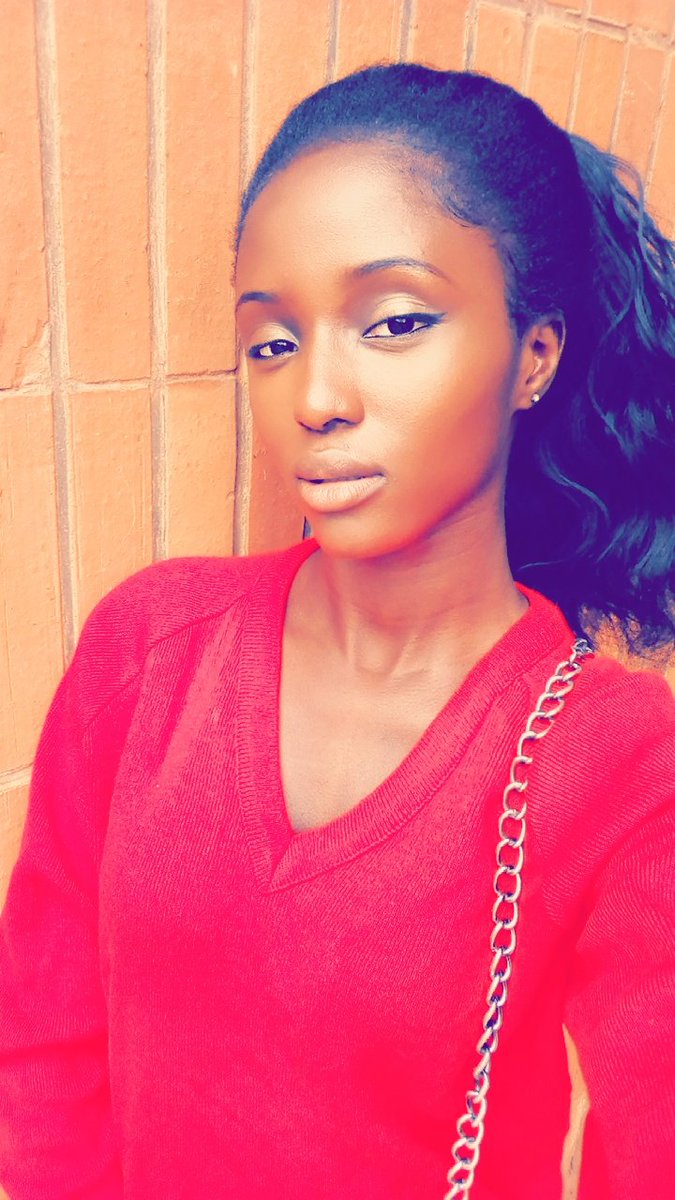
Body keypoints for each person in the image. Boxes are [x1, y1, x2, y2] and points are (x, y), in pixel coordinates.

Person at [0, 63, 674, 1200]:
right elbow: (45, 1040)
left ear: (535, 354)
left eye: (394, 322)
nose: (314, 397)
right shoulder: (150, 650)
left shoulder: (610, 759)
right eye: (272, 341)